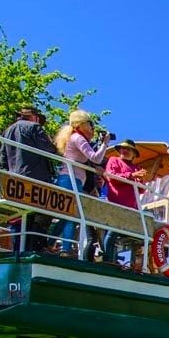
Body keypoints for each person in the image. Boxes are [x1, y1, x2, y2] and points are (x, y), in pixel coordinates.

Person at [52, 109, 112, 256]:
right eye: (90, 124)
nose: (92, 127)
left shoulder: (74, 137)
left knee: (68, 214)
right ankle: (63, 248)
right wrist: (105, 143)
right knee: (71, 214)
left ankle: (50, 242)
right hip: (71, 179)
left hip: (71, 179)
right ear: (82, 124)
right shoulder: (78, 138)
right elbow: (95, 158)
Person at [0, 106, 57, 252]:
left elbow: (3, 159)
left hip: (15, 179)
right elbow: (49, 149)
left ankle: (18, 251)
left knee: (19, 216)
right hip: (36, 179)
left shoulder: (7, 131)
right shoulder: (34, 127)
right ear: (34, 117)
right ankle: (36, 248)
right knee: (43, 213)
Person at [102, 139, 147, 265]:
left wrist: (141, 180)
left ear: (134, 154)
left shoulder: (136, 168)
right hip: (115, 203)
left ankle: (119, 261)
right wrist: (132, 175)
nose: (125, 150)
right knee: (112, 232)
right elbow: (111, 177)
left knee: (125, 236)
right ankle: (107, 260)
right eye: (123, 148)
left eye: (128, 149)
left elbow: (142, 190)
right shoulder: (114, 160)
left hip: (131, 208)